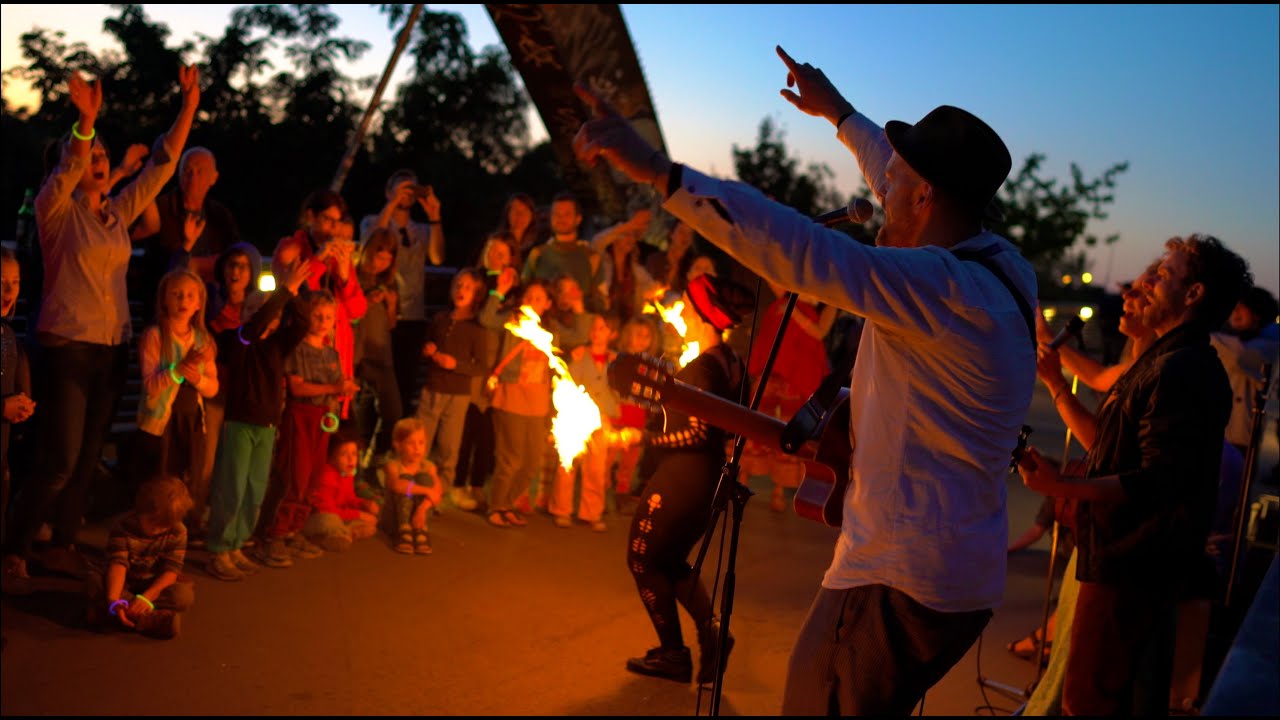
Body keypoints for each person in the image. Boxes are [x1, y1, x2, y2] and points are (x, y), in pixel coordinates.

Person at [573, 44, 1038, 714]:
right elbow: (896, 172)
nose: (881, 197)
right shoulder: (1001, 267)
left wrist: (659, 173)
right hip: (958, 575)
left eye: (894, 189)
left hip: (897, 578)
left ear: (927, 195)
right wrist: (840, 114)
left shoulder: (941, 289)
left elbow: (801, 252)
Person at [1017, 234, 1250, 715]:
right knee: (1091, 693)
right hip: (1119, 559)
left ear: (1193, 295)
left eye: (1163, 275)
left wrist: (1062, 486)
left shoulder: (1182, 368)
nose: (1142, 288)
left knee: (1090, 702)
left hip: (1133, 566)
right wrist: (1058, 385)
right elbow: (1110, 448)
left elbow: (1156, 481)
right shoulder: (1161, 363)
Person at [3, 65, 200, 590]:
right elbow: (69, 165)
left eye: (103, 156)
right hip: (65, 347)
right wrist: (86, 123)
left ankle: (63, 545)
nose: (99, 162)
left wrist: (187, 107)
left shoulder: (114, 213)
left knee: (89, 460)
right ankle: (14, 547)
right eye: (92, 157)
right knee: (60, 461)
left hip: (110, 349)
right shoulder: (54, 212)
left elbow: (160, 167)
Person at [618, 274, 754, 685]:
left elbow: (697, 433)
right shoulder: (732, 363)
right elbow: (727, 428)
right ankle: (711, 634)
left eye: (689, 308)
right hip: (708, 479)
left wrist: (641, 436)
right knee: (670, 560)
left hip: (683, 478)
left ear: (699, 314)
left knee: (642, 558)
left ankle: (674, 653)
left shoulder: (703, 368)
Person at [203, 260, 310, 581]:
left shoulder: (278, 344)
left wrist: (292, 294)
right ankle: (219, 548)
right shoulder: (237, 340)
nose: (261, 312)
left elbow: (302, 323)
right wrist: (282, 292)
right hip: (240, 424)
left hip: (267, 426)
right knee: (232, 487)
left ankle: (237, 543)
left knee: (254, 489)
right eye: (253, 307)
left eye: (269, 310)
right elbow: (252, 328)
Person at [258, 290, 359, 568]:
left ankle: (293, 530)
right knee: (295, 475)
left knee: (313, 478)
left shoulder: (331, 353)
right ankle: (273, 534)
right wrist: (335, 388)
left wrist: (344, 390)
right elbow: (297, 387)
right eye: (317, 315)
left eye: (329, 317)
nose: (323, 321)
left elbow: (336, 386)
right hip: (300, 416)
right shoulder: (297, 348)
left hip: (324, 419)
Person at [132, 269, 219, 537]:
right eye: (177, 294)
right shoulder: (155, 336)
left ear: (198, 303)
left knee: (185, 479)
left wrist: (198, 380)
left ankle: (176, 537)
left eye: (190, 295)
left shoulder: (203, 340)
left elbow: (213, 386)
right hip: (161, 424)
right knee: (159, 481)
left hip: (191, 421)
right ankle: (149, 535)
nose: (183, 300)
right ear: (165, 299)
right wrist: (178, 370)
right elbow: (150, 384)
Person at [359, 170, 445, 416]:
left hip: (414, 315)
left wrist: (435, 217)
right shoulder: (372, 220)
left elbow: (438, 258)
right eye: (402, 188)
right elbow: (371, 240)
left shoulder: (422, 230)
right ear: (389, 192)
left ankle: (398, 440)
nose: (408, 193)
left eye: (412, 189)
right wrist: (393, 202)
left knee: (405, 383)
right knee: (375, 381)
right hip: (381, 313)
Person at [84, 475, 196, 640]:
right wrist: (114, 599)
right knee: (92, 581)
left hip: (151, 585)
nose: (157, 530)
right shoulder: (123, 525)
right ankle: (146, 619)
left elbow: (171, 570)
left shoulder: (179, 531)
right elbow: (118, 564)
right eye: (152, 521)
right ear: (140, 510)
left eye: (164, 525)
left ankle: (110, 615)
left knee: (183, 596)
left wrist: (146, 597)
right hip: (123, 582)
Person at [135, 146, 242, 316]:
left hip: (210, 308)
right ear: (179, 174)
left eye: (200, 171)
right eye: (187, 170)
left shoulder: (220, 215)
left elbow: (235, 256)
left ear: (213, 178)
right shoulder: (162, 209)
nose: (193, 177)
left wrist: (201, 265)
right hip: (168, 309)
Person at [417, 269, 491, 512]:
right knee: (420, 444)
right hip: (432, 389)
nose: (461, 290)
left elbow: (481, 367)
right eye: (458, 285)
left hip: (457, 395)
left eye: (468, 287)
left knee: (449, 449)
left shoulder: (477, 328)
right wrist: (428, 350)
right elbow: (426, 348)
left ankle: (438, 495)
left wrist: (455, 365)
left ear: (477, 294)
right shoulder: (439, 319)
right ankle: (414, 491)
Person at [352, 228, 402, 460]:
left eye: (387, 258)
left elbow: (390, 324)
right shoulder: (352, 277)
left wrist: (391, 306)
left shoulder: (389, 284)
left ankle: (373, 459)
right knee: (351, 412)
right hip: (355, 354)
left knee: (393, 412)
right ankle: (350, 465)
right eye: (378, 255)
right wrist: (365, 301)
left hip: (382, 355)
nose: (381, 262)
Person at [1, 249, 35, 562]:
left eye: (15, 282)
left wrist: (21, 404)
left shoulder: (8, 334)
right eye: (1, 282)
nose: (9, 291)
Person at [521, 192, 606, 313]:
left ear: (578, 219)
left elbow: (601, 302)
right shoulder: (538, 253)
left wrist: (577, 299)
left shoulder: (591, 257)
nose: (561, 218)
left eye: (567, 214)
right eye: (556, 214)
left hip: (578, 325)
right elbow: (523, 290)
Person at [304, 432, 380, 553]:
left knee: (371, 525)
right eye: (344, 454)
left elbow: (348, 499)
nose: (351, 459)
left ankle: (343, 534)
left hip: (337, 515)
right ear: (330, 457)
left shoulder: (346, 472)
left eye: (354, 454)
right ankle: (333, 535)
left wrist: (363, 504)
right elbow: (326, 510)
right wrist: (358, 514)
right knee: (329, 521)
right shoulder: (326, 476)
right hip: (316, 517)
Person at [381, 417, 443, 555]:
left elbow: (437, 492)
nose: (417, 448)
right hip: (394, 518)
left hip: (418, 517)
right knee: (406, 481)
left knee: (425, 478)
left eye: (421, 443)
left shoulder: (428, 466)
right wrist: (426, 491)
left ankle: (420, 530)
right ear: (398, 445)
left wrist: (422, 509)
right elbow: (397, 486)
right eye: (411, 443)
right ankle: (403, 528)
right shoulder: (393, 466)